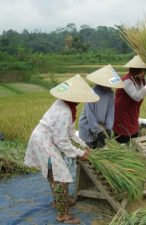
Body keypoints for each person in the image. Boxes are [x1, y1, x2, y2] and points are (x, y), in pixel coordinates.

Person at [24, 75, 99, 224]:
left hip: (45, 140)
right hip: (45, 143)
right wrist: (79, 153)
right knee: (61, 179)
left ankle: (58, 203)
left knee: (55, 176)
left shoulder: (65, 105)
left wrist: (83, 145)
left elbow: (70, 131)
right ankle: (63, 214)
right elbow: (61, 140)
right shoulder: (65, 111)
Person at [113, 55, 146, 143]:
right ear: (135, 70)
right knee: (124, 139)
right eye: (143, 71)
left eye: (145, 71)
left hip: (133, 113)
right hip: (122, 115)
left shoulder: (141, 80)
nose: (144, 74)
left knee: (134, 136)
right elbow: (137, 97)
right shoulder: (126, 81)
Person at [78, 65, 124, 148]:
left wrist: (108, 128)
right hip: (87, 127)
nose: (109, 86)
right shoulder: (92, 92)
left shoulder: (110, 94)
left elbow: (110, 112)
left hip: (101, 127)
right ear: (101, 82)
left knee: (100, 150)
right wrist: (98, 131)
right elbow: (90, 115)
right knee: (88, 152)